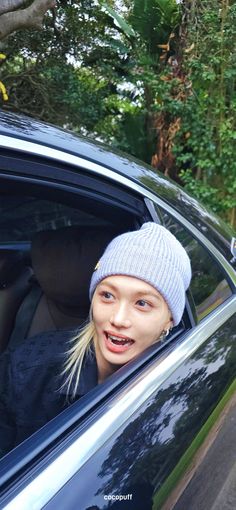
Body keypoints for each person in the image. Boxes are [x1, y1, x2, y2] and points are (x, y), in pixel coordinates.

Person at [0, 222, 191, 457]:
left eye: (142, 303)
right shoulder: (24, 368)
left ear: (169, 320)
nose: (118, 319)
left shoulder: (177, 395)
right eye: (107, 295)